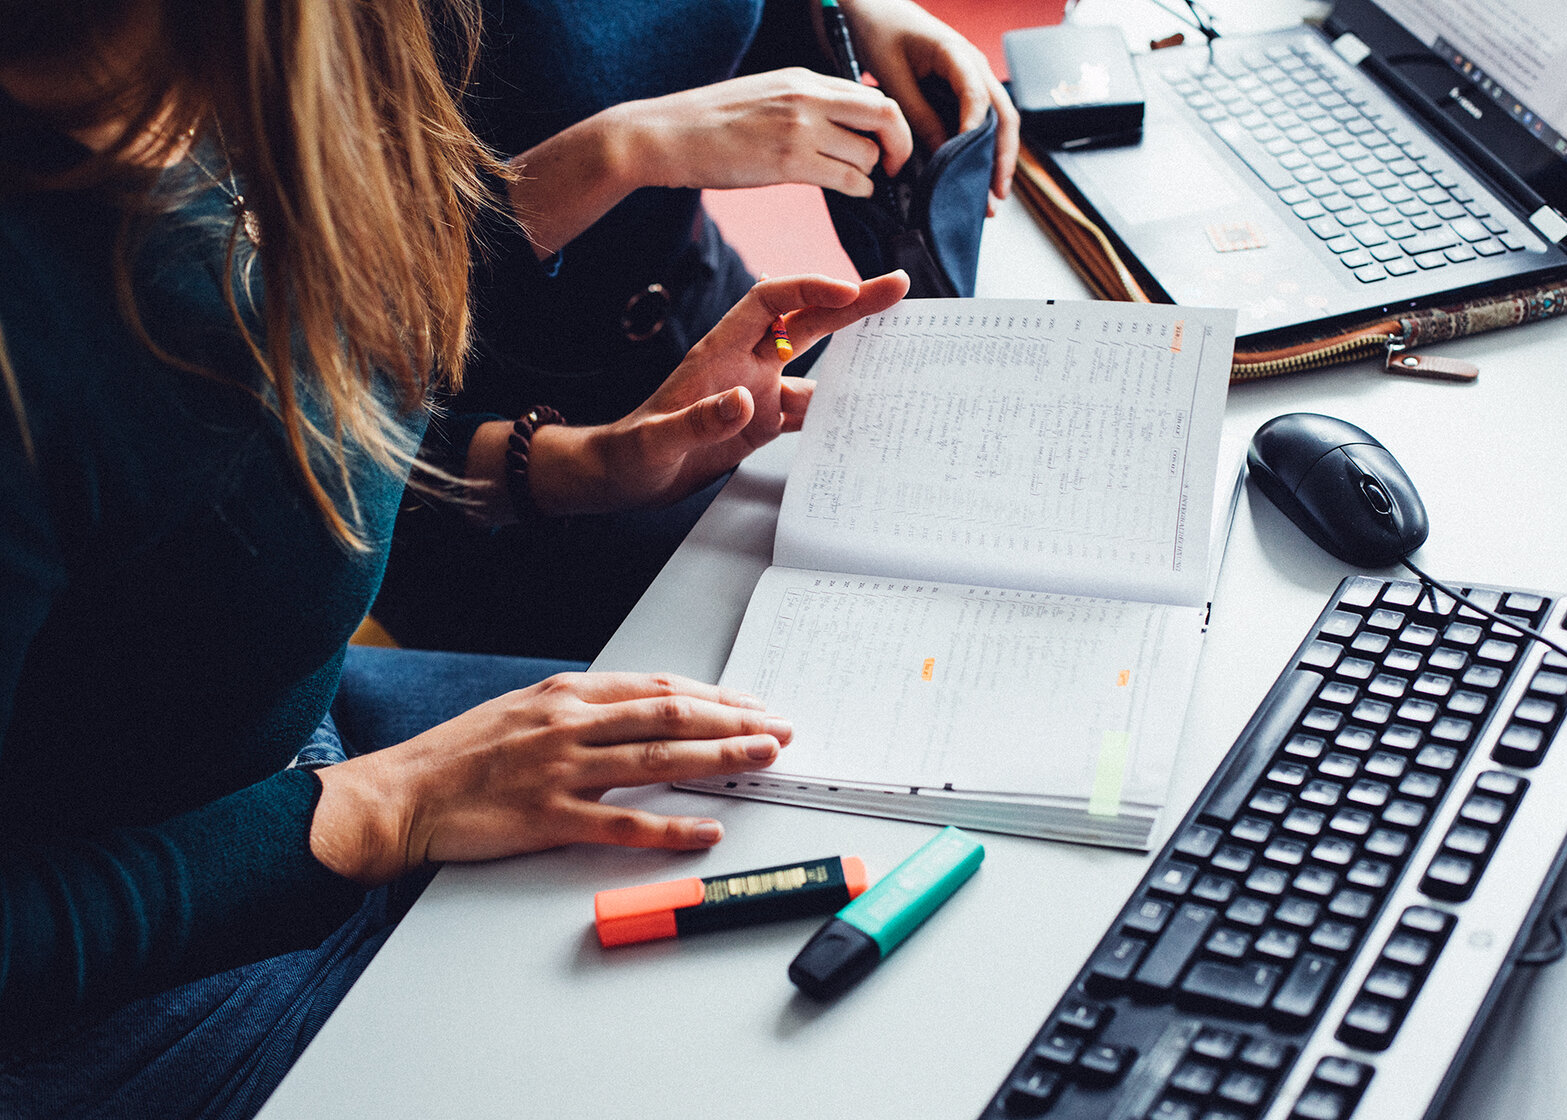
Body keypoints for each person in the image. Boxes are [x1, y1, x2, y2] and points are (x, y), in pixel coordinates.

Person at [0, 0, 909, 1115]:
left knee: (827, 804)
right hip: (122, 992)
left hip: (305, 752)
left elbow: (252, 473)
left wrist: (572, 467)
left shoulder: (239, 76)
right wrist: (386, 807)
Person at [371, 0, 1021, 661]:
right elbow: (350, 309)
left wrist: (840, 19)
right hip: (476, 450)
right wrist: (622, 150)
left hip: (707, 318)